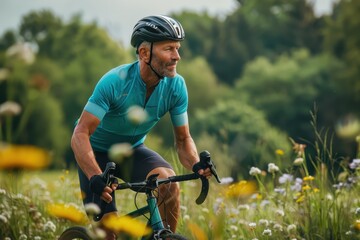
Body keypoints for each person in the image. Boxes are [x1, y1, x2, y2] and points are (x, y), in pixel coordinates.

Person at [71, 15, 212, 239]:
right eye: (169, 49)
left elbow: (184, 140)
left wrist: (196, 164)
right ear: (144, 53)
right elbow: (80, 134)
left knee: (168, 183)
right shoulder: (115, 82)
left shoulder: (176, 86)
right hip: (95, 153)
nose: (177, 56)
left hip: (132, 150)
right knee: (109, 232)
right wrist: (94, 175)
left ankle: (161, 236)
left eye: (177, 48)